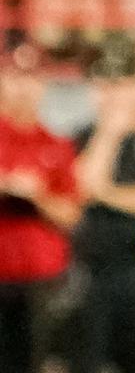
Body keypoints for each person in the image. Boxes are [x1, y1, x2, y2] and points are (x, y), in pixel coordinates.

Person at [70, 35, 135, 373]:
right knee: (89, 358)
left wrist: (108, 194)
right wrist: (109, 134)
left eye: (119, 85)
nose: (113, 97)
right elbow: (83, 185)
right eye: (105, 86)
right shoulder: (82, 136)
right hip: (91, 269)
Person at [0, 39, 79, 373]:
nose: (22, 89)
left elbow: (71, 215)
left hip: (41, 284)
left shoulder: (56, 144)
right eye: (15, 77)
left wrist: (36, 196)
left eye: (30, 78)